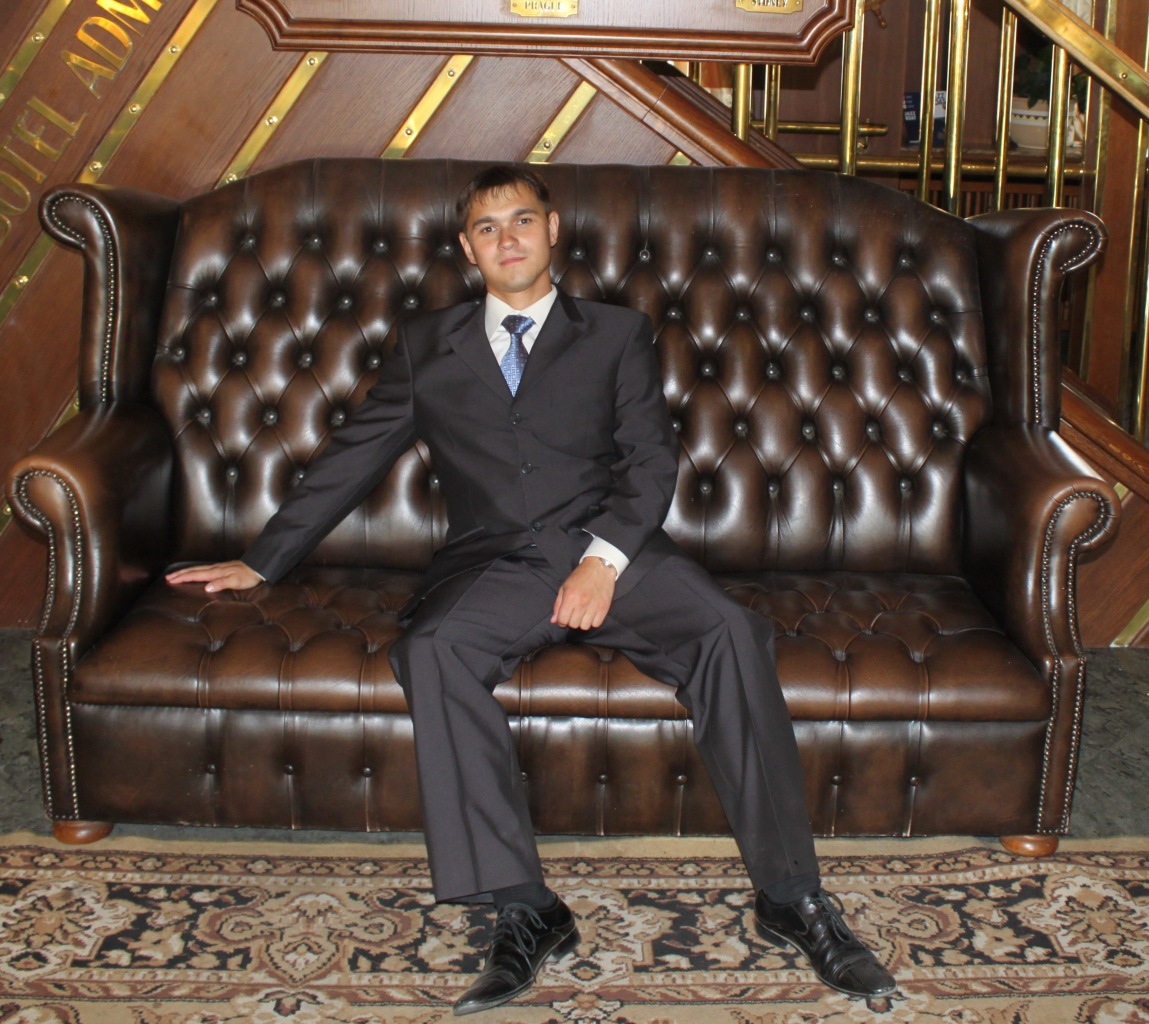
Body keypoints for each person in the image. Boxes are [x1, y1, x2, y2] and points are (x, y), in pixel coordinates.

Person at [166, 164, 897, 1015]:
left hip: (616, 554)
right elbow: (355, 453)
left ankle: (791, 895)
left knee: (731, 634)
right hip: (497, 562)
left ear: (552, 230)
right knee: (431, 652)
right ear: (466, 246)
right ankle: (525, 906)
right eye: (486, 227)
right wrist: (264, 559)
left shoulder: (616, 332)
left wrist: (601, 561)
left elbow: (649, 460)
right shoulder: (428, 344)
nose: (505, 238)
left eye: (520, 220)